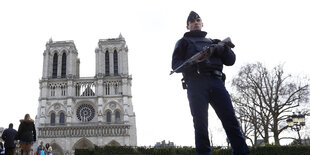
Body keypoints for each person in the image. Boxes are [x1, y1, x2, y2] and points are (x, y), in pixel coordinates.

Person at [171, 11, 250, 155]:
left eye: (198, 20)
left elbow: (231, 60)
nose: (195, 22)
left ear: (202, 23)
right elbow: (175, 66)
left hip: (216, 82)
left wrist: (223, 48)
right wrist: (192, 63)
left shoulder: (214, 42)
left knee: (230, 119)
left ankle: (242, 152)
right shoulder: (182, 42)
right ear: (188, 26)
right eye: (192, 21)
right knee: (200, 123)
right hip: (196, 83)